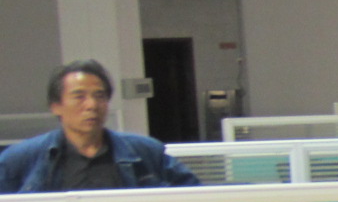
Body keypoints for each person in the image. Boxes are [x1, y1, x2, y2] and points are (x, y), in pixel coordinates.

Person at [0, 60, 199, 193]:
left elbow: (191, 193)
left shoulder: (144, 151)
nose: (92, 105)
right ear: (56, 106)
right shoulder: (22, 158)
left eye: (99, 96)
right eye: (79, 96)